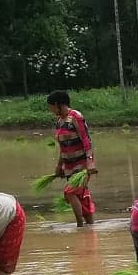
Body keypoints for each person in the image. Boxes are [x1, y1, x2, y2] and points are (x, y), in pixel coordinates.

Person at [46, 90, 96, 227]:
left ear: (57, 104)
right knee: (81, 196)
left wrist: (90, 163)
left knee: (69, 192)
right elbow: (63, 147)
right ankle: (90, 227)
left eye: (51, 107)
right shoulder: (59, 121)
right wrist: (59, 166)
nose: (50, 110)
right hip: (68, 166)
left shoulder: (76, 117)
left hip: (82, 164)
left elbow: (86, 141)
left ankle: (80, 226)